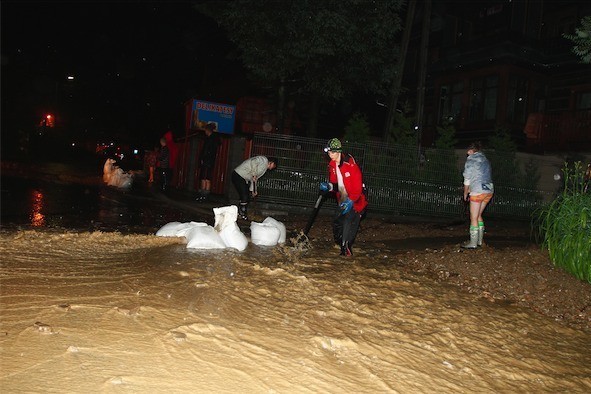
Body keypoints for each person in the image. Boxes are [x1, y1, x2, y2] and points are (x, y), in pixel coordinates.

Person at [319, 138, 368, 257]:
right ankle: (341, 244)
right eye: (329, 152)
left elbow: (357, 189)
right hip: (343, 200)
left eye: (332, 152)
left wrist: (351, 201)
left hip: (357, 202)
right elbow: (336, 185)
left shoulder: (351, 166)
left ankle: (345, 250)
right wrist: (329, 186)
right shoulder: (332, 166)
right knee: (337, 223)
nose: (330, 155)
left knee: (348, 222)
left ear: (339, 151)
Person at [461, 141, 494, 249]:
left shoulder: (471, 160)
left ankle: (473, 243)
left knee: (473, 217)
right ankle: (479, 241)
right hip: (489, 190)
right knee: (479, 215)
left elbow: (467, 178)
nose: (467, 153)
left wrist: (465, 192)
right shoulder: (485, 160)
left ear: (471, 150)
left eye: (468, 151)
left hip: (477, 191)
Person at [231, 156, 278, 220]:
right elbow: (253, 162)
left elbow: (254, 179)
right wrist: (254, 174)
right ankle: (241, 213)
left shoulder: (264, 169)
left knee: (246, 196)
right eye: (274, 165)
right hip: (238, 175)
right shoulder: (263, 160)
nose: (273, 167)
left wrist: (253, 191)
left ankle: (240, 212)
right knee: (244, 196)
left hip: (243, 178)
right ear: (272, 162)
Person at [196, 123, 221, 201]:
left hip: (207, 161)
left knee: (204, 178)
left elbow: (206, 151)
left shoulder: (210, 140)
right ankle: (204, 195)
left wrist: (202, 159)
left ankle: (203, 195)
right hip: (210, 161)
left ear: (208, 130)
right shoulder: (214, 139)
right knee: (207, 178)